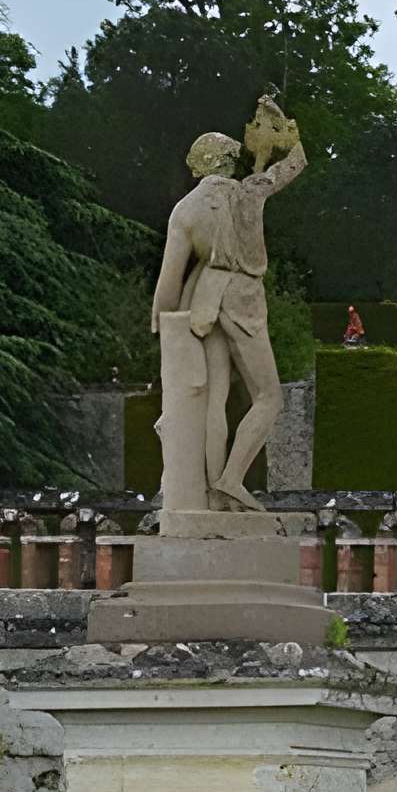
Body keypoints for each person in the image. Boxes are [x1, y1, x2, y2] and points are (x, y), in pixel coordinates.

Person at [150, 95, 304, 510]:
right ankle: (231, 479)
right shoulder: (247, 192)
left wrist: (163, 327)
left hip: (206, 297)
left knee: (214, 398)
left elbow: (169, 280)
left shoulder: (185, 210)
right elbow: (295, 163)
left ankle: (211, 494)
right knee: (269, 397)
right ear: (227, 162)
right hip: (242, 296)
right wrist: (284, 128)